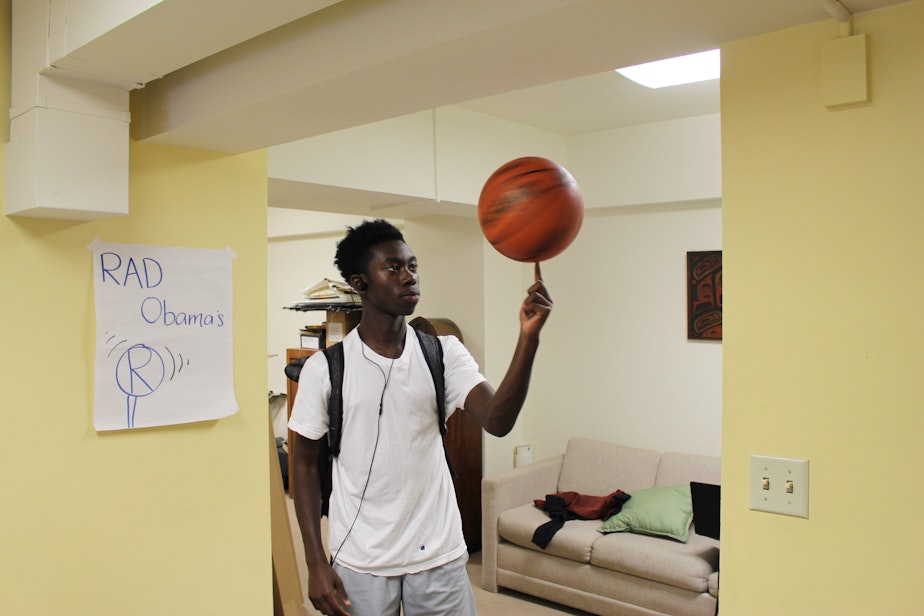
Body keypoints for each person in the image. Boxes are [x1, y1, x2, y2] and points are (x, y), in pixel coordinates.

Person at [288, 219, 552, 616]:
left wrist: (528, 339)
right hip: (361, 559)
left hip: (439, 555)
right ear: (360, 284)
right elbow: (304, 466)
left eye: (412, 266)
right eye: (393, 268)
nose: (409, 277)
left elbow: (498, 421)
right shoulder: (325, 369)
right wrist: (314, 561)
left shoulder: (442, 353)